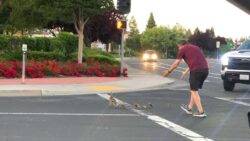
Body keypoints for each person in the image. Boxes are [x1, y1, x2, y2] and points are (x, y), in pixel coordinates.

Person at [163, 40, 209, 118]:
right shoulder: (196, 48)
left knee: (194, 91)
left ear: (180, 45)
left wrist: (168, 71)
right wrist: (186, 71)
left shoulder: (183, 49)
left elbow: (176, 63)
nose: (178, 49)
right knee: (194, 90)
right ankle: (189, 108)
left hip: (196, 71)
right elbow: (197, 60)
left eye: (178, 47)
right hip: (205, 70)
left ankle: (201, 112)